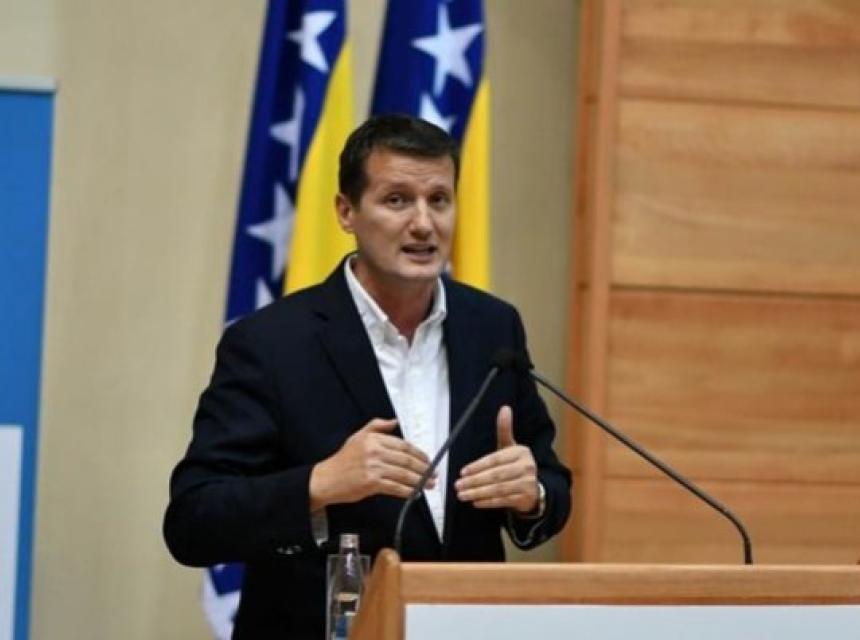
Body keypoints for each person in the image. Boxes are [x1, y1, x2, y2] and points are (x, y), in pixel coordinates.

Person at [163, 114, 571, 638]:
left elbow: (552, 483)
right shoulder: (271, 343)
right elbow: (193, 520)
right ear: (346, 211)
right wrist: (319, 484)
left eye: (439, 200)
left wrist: (533, 494)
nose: (423, 223)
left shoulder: (493, 327)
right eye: (397, 200)